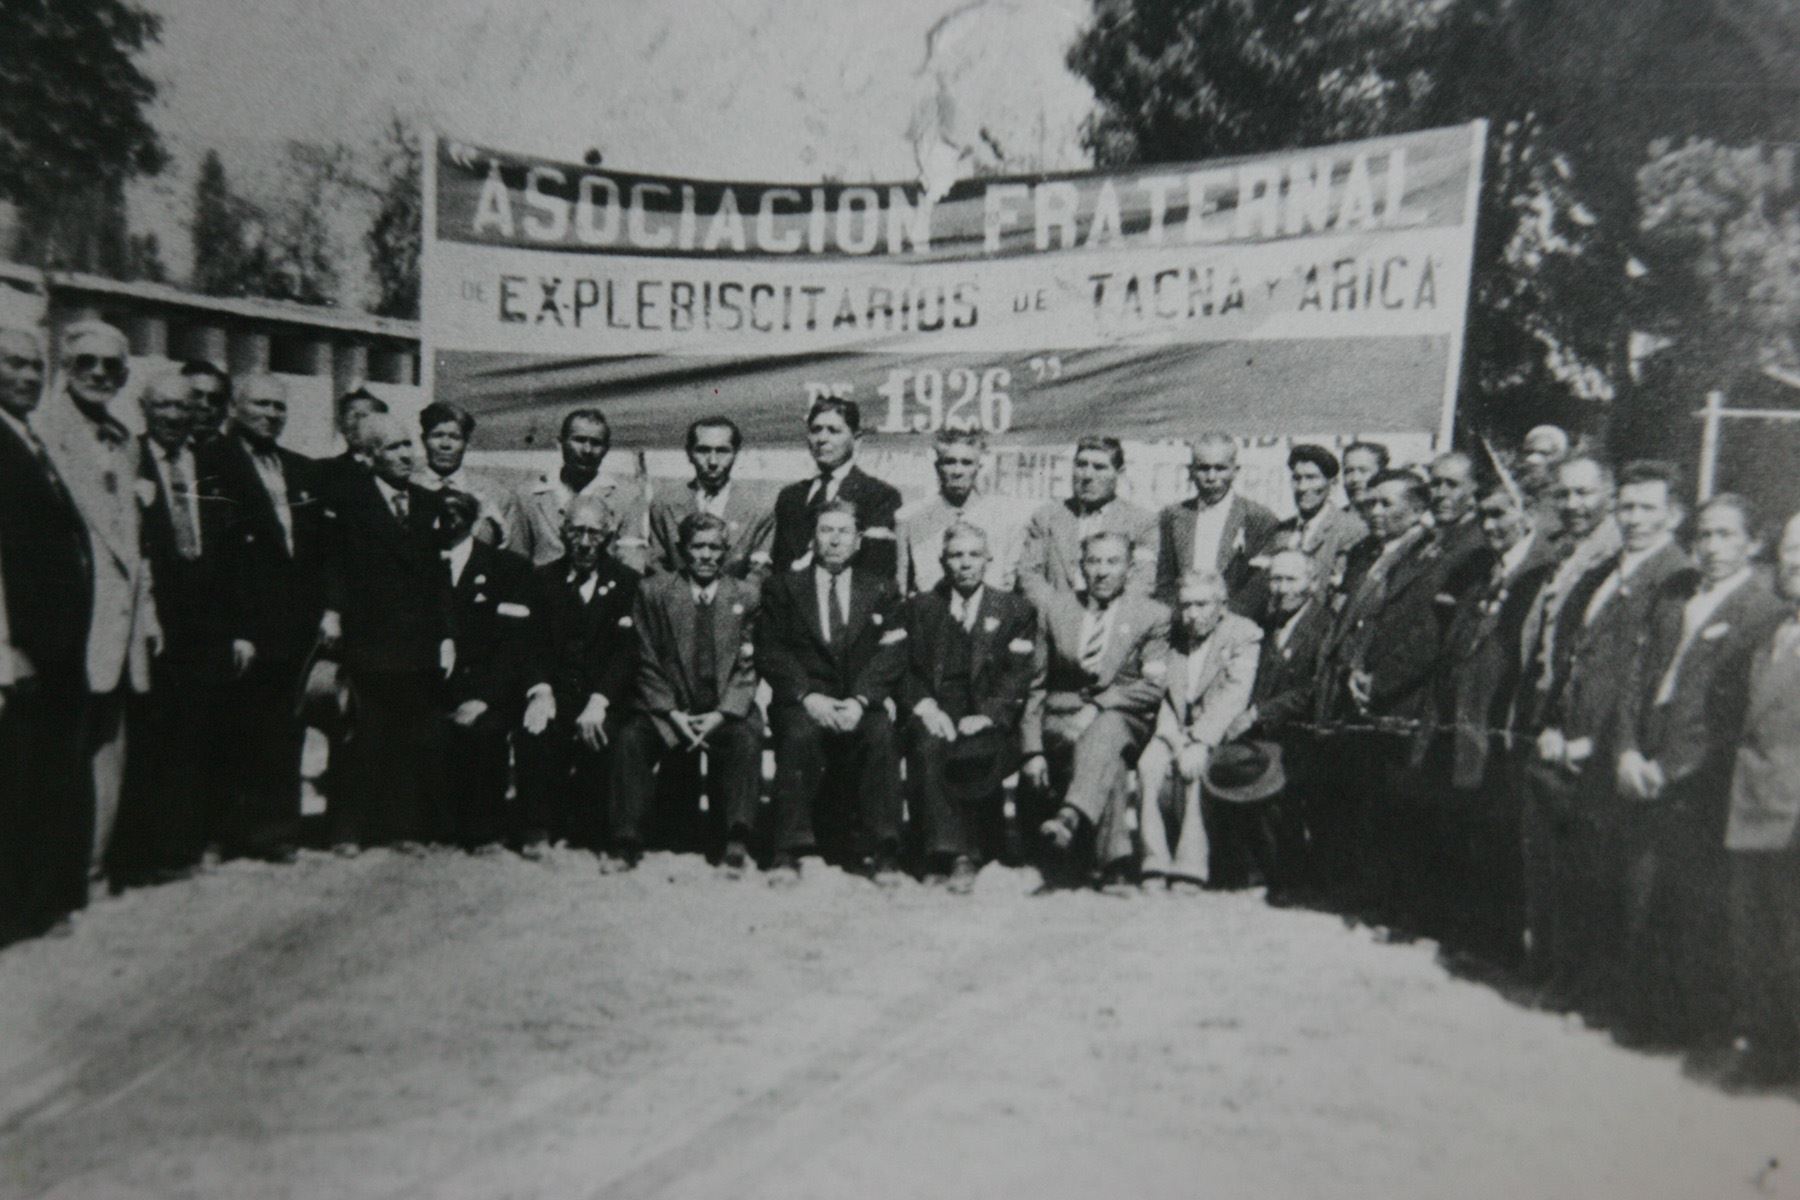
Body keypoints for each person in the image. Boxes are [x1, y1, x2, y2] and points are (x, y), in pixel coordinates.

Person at [1612, 493, 1786, 1048]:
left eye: (1727, 536)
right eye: (1705, 535)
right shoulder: (1676, 598)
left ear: (1754, 544)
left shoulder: (1763, 611)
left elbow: (1732, 712)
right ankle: (1636, 1013)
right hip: (1642, 761)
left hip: (1696, 779)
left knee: (1683, 899)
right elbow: (1636, 679)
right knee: (1636, 889)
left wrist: (1671, 768)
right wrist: (1626, 750)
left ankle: (1678, 1026)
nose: (1712, 548)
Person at [1529, 460, 1689, 1015]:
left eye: (1649, 508)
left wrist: (1597, 744)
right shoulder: (1604, 572)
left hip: (1611, 753)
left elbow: (1647, 680)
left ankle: (1595, 993)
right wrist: (1552, 724)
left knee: (1605, 883)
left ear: (1673, 514)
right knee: (1569, 874)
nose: (1635, 518)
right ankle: (1563, 977)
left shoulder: (1676, 580)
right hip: (1564, 745)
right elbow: (1572, 657)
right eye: (1627, 507)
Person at [36, 320, 160, 882]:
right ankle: (54, 873)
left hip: (120, 627)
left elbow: (134, 543)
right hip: (63, 625)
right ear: (65, 368)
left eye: (111, 366)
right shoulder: (39, 433)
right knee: (54, 754)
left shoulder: (125, 440)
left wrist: (148, 613)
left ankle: (91, 868)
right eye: (86, 362)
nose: (99, 374)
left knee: (109, 751)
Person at [197, 372, 329, 861]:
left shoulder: (297, 468)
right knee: (233, 730)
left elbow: (314, 550)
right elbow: (216, 556)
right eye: (261, 405)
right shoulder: (211, 462)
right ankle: (225, 833)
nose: (272, 414)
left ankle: (275, 833)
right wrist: (235, 629)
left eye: (279, 406)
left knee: (283, 731)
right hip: (243, 628)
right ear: (235, 407)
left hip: (293, 626)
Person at [1425, 481, 1558, 963]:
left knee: (1499, 829)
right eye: (1484, 516)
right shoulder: (1486, 570)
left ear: (1528, 514)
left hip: (1505, 719)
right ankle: (1469, 931)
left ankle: (1499, 941)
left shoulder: (1542, 571)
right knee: (1468, 821)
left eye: (1502, 514)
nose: (1491, 525)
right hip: (1467, 716)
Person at [111, 372, 234, 881]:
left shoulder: (206, 463)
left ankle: (186, 844)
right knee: (150, 737)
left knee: (198, 736)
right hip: (152, 622)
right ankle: (142, 853)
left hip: (204, 626)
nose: (175, 416)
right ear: (144, 409)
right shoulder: (129, 458)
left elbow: (225, 552)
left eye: (184, 408)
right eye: (163, 406)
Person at [1313, 468, 1446, 925]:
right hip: (1356, 683)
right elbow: (1353, 618)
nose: (1375, 512)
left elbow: (1420, 630)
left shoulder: (1425, 554)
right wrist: (1350, 667)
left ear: (1417, 507)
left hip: (1394, 697)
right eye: (1370, 504)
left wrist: (1377, 678)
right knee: (1358, 795)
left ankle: (1386, 900)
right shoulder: (1371, 553)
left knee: (1388, 799)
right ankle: (1357, 890)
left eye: (1387, 504)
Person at [320, 412, 454, 851]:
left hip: (417, 642)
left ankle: (404, 827)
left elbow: (439, 579)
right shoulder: (349, 501)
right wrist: (332, 613)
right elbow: (334, 564)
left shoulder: (429, 503)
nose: (406, 454)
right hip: (368, 638)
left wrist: (446, 635)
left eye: (406, 445)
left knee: (409, 737)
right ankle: (347, 828)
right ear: (370, 455)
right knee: (361, 735)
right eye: (393, 447)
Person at [0, 325, 94, 942]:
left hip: (55, 646)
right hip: (21, 650)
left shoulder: (29, 437)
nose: (28, 377)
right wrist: (6, 650)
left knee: (42, 781)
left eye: (37, 367)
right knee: (16, 784)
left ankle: (37, 905)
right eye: (14, 365)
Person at [756, 498, 907, 884]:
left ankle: (884, 849)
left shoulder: (881, 589)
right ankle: (788, 849)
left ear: (858, 541)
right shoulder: (783, 588)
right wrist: (808, 696)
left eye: (843, 532)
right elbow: (771, 650)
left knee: (881, 735)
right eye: (826, 530)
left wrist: (860, 700)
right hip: (804, 699)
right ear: (813, 538)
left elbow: (892, 651)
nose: (834, 540)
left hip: (860, 698)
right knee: (800, 734)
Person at [1513, 455, 1620, 997]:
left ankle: (1569, 974)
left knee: (1575, 860)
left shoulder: (1614, 557)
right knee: (1544, 857)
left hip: (1580, 728)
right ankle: (1547, 962)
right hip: (1543, 715)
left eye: (1585, 494)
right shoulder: (1566, 551)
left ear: (1609, 494)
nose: (1574, 506)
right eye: (1566, 496)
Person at [612, 512, 764, 873]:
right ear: (682, 550)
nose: (707, 555)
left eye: (715, 547)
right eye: (698, 547)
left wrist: (722, 714)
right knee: (632, 738)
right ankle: (625, 838)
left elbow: (748, 665)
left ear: (726, 551)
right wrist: (671, 712)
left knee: (746, 737)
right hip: (670, 708)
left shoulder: (746, 595)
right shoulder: (655, 592)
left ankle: (736, 838)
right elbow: (645, 658)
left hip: (723, 708)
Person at [1023, 531, 1170, 889]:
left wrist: (1098, 707)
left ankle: (1071, 815)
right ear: (1080, 567)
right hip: (1064, 721)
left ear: (1129, 569)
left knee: (1108, 726)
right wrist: (1032, 750)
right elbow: (1036, 685)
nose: (1102, 571)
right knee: (1108, 754)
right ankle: (1115, 862)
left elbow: (1152, 686)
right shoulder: (1056, 609)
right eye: (1094, 561)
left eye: (1112, 562)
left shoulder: (1152, 615)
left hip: (1127, 719)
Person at [898, 522, 1040, 891]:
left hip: (987, 714)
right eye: (956, 555)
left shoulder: (1014, 609)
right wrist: (927, 707)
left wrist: (988, 715)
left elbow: (1017, 675)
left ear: (988, 559)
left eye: (973, 555)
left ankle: (969, 853)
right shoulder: (921, 608)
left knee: (973, 750)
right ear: (942, 561)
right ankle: (946, 854)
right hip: (936, 708)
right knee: (929, 745)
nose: (965, 564)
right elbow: (908, 669)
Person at [1719, 510, 1800, 1090]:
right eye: (1790, 549)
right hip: (1753, 806)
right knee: (1757, 940)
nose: (1794, 562)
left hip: (1792, 818)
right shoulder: (1775, 631)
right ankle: (1764, 1048)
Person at [514, 496, 641, 859]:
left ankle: (598, 827)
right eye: (577, 532)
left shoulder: (628, 583)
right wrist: (539, 691)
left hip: (604, 698)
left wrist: (600, 701)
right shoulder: (540, 580)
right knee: (534, 728)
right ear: (562, 531)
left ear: (609, 535)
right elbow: (529, 645)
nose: (585, 543)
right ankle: (537, 825)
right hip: (555, 692)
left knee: (612, 736)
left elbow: (627, 653)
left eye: (595, 534)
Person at [1134, 569, 1262, 891]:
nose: (1193, 614)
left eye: (1202, 604)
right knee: (1148, 765)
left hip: (1219, 731)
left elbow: (1235, 696)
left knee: (1195, 770)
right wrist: (1171, 736)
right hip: (1175, 726)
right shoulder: (1174, 636)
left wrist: (1201, 741)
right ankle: (1154, 858)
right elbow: (1166, 692)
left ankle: (1191, 863)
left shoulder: (1243, 634)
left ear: (1222, 604)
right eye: (1186, 605)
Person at [429, 488, 536, 852]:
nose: (448, 520)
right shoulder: (416, 564)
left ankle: (481, 829)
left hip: (488, 688)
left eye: (457, 513)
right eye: (440, 513)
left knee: (485, 731)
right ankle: (431, 827)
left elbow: (514, 645)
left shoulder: (507, 568)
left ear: (474, 519)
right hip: (430, 686)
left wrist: (482, 698)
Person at [1225, 548, 1335, 894]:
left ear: (1312, 583)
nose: (1282, 588)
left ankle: (1289, 877)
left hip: (1302, 731)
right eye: (1276, 579)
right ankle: (1251, 868)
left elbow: (1314, 689)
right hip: (1267, 730)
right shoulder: (1270, 622)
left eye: (1291, 579)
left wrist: (1259, 713)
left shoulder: (1326, 625)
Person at [768, 397, 902, 579]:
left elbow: (872, 571)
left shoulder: (879, 496)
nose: (822, 439)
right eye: (816, 430)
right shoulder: (790, 496)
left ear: (857, 439)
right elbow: (779, 564)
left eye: (833, 431)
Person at [1017, 436, 1156, 610]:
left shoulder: (1142, 522)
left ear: (1119, 473)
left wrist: (1105, 619)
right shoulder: (1046, 517)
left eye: (1099, 467)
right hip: (1054, 621)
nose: (1087, 475)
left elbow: (1143, 581)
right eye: (1081, 465)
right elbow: (1029, 574)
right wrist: (1059, 614)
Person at [645, 416, 777, 588]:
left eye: (722, 451)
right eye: (703, 450)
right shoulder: (665, 504)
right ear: (689, 453)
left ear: (736, 453)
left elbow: (759, 574)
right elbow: (657, 567)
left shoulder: (759, 509)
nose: (713, 461)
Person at [515, 407, 652, 573]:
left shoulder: (627, 496)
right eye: (579, 440)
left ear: (606, 449)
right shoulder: (529, 494)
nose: (587, 450)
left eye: (596, 443)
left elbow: (631, 562)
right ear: (560, 443)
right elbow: (517, 559)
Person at [1152, 433, 1278, 613]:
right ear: (1190, 470)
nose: (1211, 477)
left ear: (1236, 470)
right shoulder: (1172, 516)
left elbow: (1257, 587)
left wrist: (1222, 620)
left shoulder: (1259, 518)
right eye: (1203, 468)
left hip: (1234, 624)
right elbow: (1164, 580)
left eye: (1220, 468)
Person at [895, 427, 1021, 595]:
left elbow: (1008, 583)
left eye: (967, 463)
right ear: (937, 467)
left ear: (978, 468)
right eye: (949, 462)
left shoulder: (1005, 517)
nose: (957, 471)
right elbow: (902, 586)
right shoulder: (910, 517)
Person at [414, 400, 526, 553]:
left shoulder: (496, 494)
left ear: (466, 443)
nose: (445, 445)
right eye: (437, 435)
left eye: (454, 437)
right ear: (423, 440)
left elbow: (515, 558)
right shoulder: (406, 488)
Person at [1263, 443, 1366, 588]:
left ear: (1333, 483)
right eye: (1297, 478)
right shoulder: (1282, 531)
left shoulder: (1351, 530)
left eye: (1311, 478)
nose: (1302, 487)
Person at [1426, 451, 1487, 598]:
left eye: (1452, 484)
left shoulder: (1479, 545)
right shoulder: (1424, 538)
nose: (1441, 493)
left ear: (1473, 489)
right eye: (1435, 484)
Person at [314, 387, 388, 496]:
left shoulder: (397, 468)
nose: (359, 424)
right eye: (352, 416)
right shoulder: (324, 470)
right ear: (340, 425)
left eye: (365, 415)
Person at [1518, 424, 1571, 534]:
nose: (1532, 460)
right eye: (1528, 452)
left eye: (1543, 453)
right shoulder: (1521, 491)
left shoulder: (1567, 495)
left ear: (1559, 458)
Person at [180, 359, 231, 446]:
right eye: (194, 396)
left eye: (215, 398)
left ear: (225, 409)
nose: (205, 405)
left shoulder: (238, 455)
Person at [1340, 440, 1390, 519]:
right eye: (1348, 471)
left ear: (1383, 474)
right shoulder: (1335, 519)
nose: (1355, 479)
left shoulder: (1393, 519)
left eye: (1363, 471)